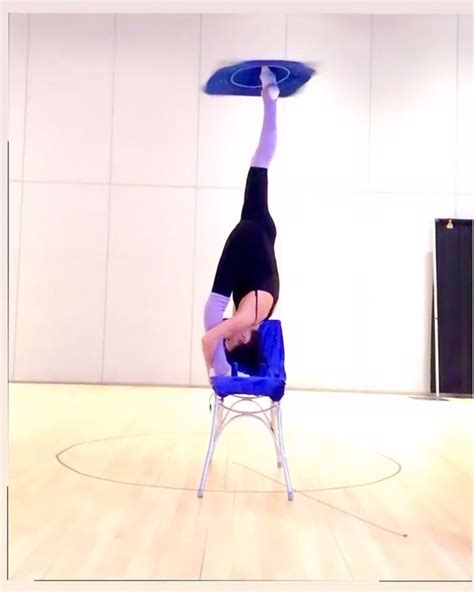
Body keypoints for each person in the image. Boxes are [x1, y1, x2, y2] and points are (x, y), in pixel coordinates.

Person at [202, 66, 281, 377]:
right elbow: (209, 337)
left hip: (261, 227)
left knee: (259, 164)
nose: (228, 337)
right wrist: (217, 372)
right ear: (246, 336)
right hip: (247, 239)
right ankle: (220, 373)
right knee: (212, 311)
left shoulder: (259, 314)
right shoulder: (248, 318)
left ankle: (269, 96)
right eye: (233, 342)